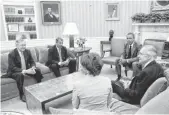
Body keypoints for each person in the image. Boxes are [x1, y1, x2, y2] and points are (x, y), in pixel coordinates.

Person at [7, 35, 43, 102]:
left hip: (25, 69)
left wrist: (32, 67)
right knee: (20, 75)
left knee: (37, 70)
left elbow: (32, 61)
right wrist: (25, 71)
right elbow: (12, 68)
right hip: (14, 71)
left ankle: (39, 87)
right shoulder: (11, 54)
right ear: (17, 45)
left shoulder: (27, 51)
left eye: (24, 45)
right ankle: (22, 95)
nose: (24, 47)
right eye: (22, 45)